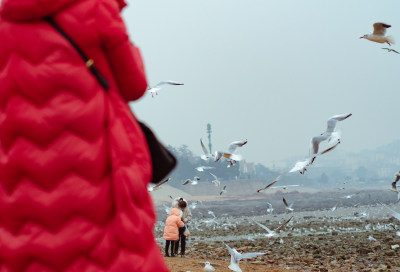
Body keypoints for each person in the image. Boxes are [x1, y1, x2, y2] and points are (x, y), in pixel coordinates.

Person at [0, 0, 169, 271]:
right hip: (95, 159)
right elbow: (135, 86)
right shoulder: (95, 8)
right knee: (112, 252)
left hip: (24, 168)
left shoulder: (6, 21)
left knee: (36, 250)